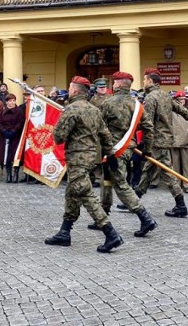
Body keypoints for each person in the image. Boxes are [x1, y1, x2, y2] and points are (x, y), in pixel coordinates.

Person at [45, 76, 123, 253]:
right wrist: (110, 154)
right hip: (91, 158)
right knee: (72, 193)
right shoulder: (94, 109)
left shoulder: (71, 109)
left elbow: (59, 137)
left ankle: (110, 234)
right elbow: (105, 134)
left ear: (74, 90)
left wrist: (60, 119)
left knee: (86, 194)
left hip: (77, 158)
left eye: (70, 88)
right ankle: (64, 232)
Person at [93, 71, 157, 237]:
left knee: (121, 185)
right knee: (106, 180)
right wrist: (147, 150)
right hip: (127, 148)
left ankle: (145, 218)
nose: (112, 85)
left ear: (119, 84)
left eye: (114, 82)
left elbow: (99, 127)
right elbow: (149, 129)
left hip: (114, 150)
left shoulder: (108, 103)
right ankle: (103, 216)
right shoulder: (137, 105)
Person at [135, 68, 188, 218]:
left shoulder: (151, 97)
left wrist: (147, 146)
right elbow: (182, 110)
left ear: (150, 81)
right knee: (149, 170)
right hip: (165, 139)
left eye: (144, 79)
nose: (143, 82)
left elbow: (148, 124)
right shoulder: (165, 95)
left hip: (157, 141)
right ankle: (134, 199)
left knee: (166, 172)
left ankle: (180, 205)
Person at [0, 94, 25, 183]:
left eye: (13, 100)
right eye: (9, 101)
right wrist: (4, 131)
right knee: (7, 156)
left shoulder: (19, 111)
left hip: (15, 136)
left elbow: (20, 122)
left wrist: (14, 131)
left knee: (15, 156)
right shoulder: (2, 111)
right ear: (6, 102)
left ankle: (16, 174)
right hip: (5, 136)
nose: (12, 102)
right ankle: (8, 175)